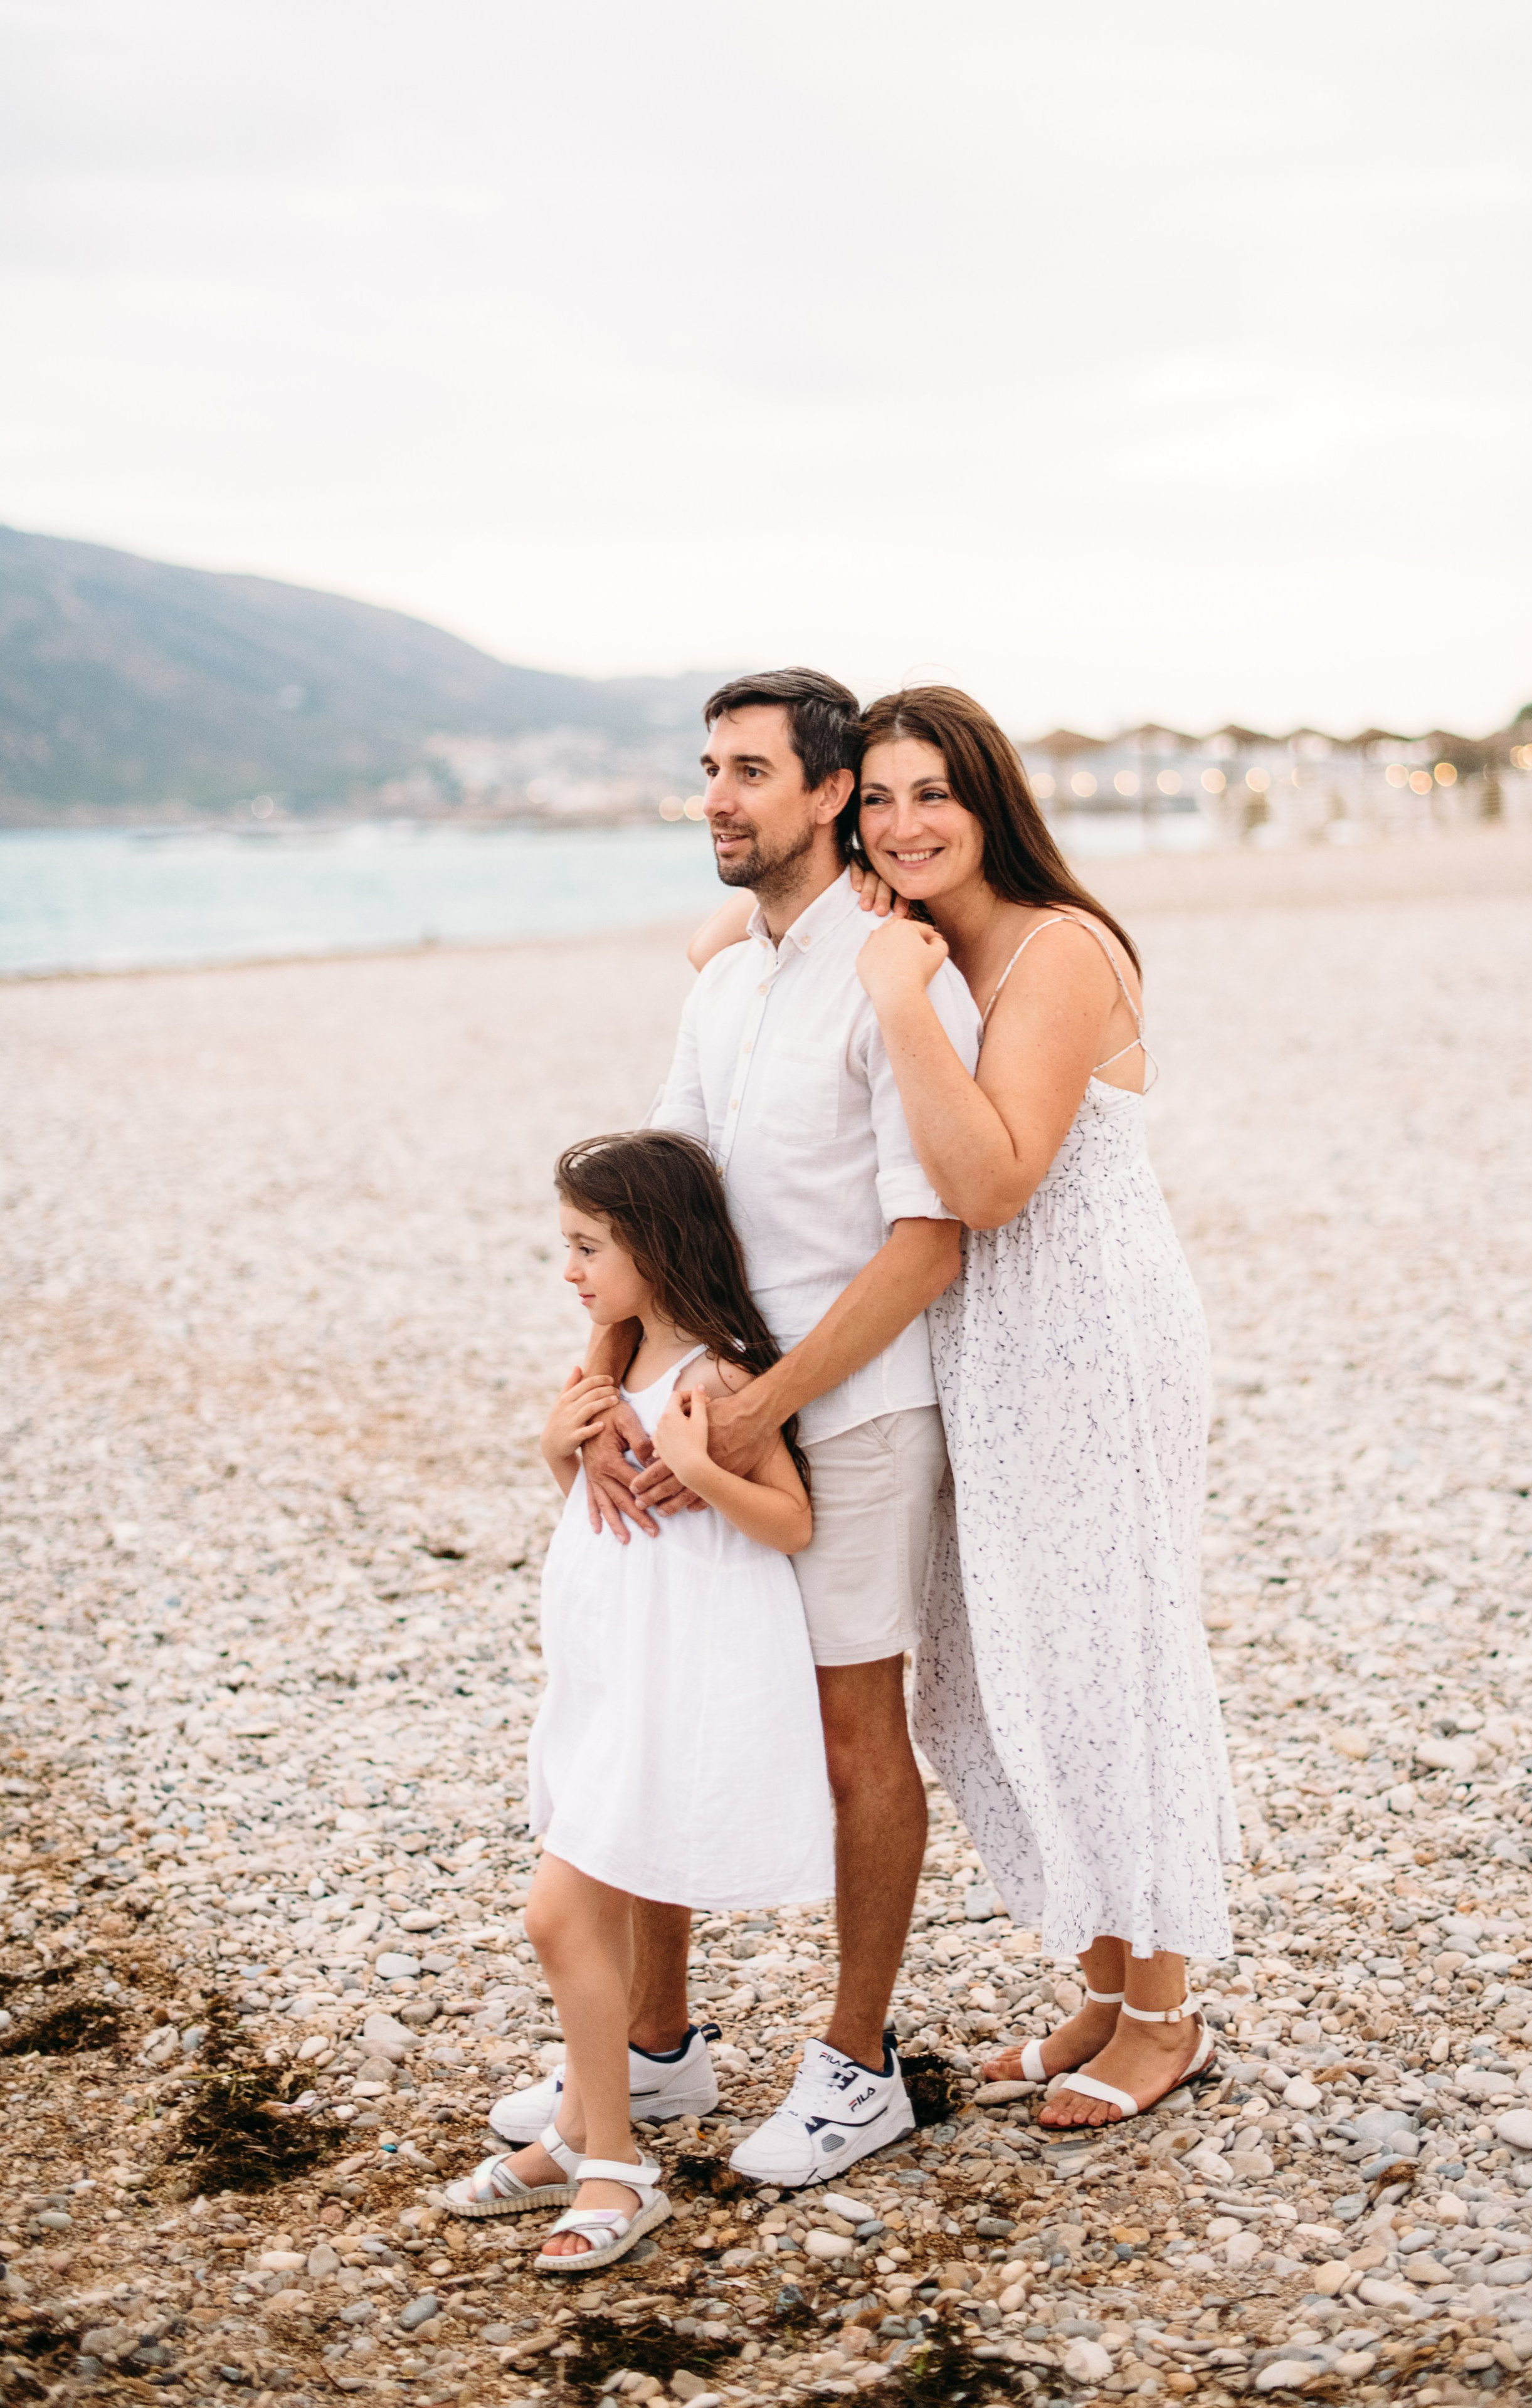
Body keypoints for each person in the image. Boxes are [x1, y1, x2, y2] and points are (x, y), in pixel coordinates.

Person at [489, 668, 981, 2186]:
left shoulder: (901, 974)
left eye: (750, 770)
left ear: (831, 793)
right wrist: (599, 1387)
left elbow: (930, 1237)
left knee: (851, 1736)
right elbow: (648, 1206)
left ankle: (856, 2064)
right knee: (649, 1692)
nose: (716, 795)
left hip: (855, 1413)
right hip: (694, 1398)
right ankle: (660, 2046)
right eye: (708, 766)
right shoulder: (722, 983)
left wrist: (760, 1400)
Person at [843, 686, 1239, 2128]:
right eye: (875, 800)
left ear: (987, 797)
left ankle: (1165, 2011)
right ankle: (1097, 1975)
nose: (902, 825)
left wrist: (894, 1000)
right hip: (977, 1349)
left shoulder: (1058, 948)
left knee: (1103, 1656)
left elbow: (994, 1180)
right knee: (980, 1667)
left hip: (1088, 1340)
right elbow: (717, 943)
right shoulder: (928, 939)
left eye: (929, 793)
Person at [443, 1130, 833, 2264]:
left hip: (677, 1682)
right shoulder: (609, 1376)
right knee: (593, 1907)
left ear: (657, 1246)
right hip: (608, 1670)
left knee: (558, 1911)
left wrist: (703, 1465)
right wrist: (561, 1450)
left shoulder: (713, 1375)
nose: (569, 1270)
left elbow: (789, 1523)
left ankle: (616, 2166)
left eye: (587, 1245)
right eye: (566, 1245)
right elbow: (600, 1514)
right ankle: (577, 2133)